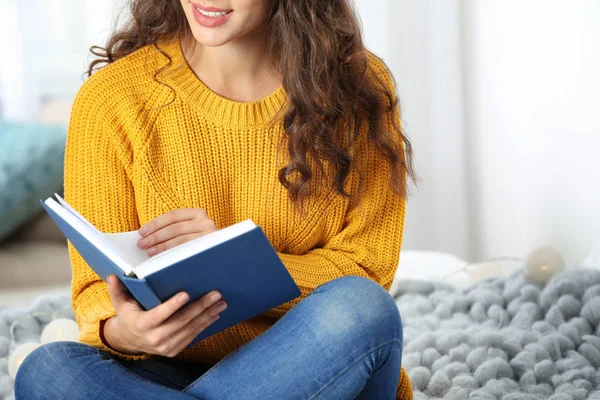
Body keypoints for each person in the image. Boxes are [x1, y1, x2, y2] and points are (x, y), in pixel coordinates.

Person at [15, 0, 417, 398]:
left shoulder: (355, 88)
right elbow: (94, 293)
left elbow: (367, 271)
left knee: (363, 308)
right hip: (165, 373)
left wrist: (234, 260)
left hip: (315, 363)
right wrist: (131, 333)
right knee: (48, 370)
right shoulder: (111, 100)